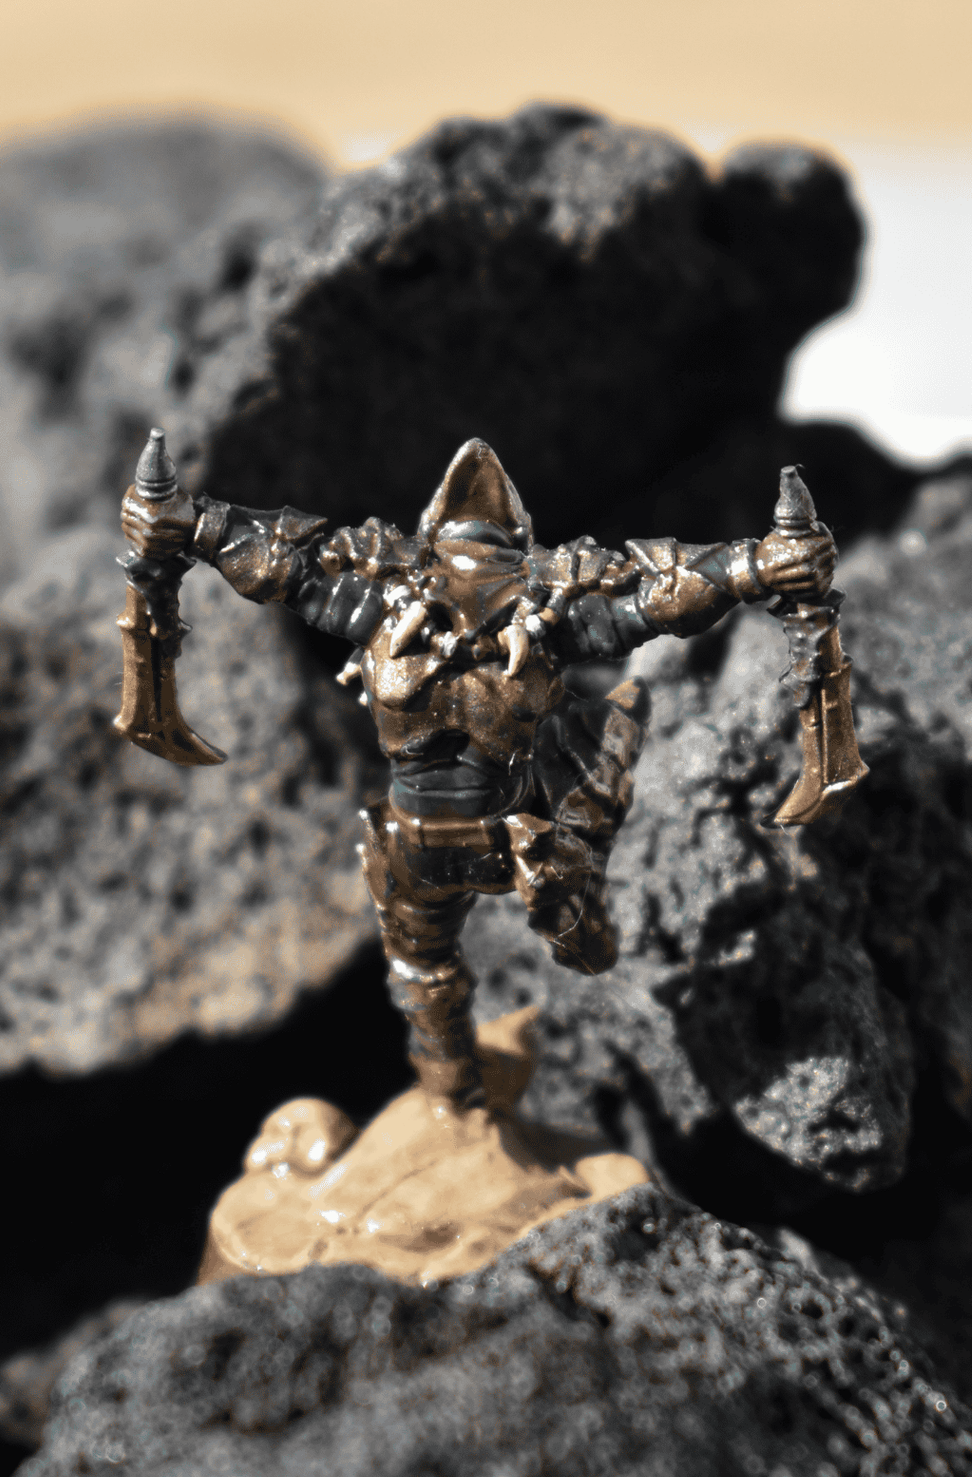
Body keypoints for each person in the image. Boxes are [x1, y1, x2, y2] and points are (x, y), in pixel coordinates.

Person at [120, 435, 835, 1110]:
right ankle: (570, 878)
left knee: (423, 969)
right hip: (516, 838)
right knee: (616, 716)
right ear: (517, 539)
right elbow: (655, 603)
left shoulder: (375, 596)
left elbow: (280, 566)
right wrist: (762, 565)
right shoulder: (551, 606)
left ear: (431, 531)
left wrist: (185, 521)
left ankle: (452, 1089)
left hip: (415, 846)